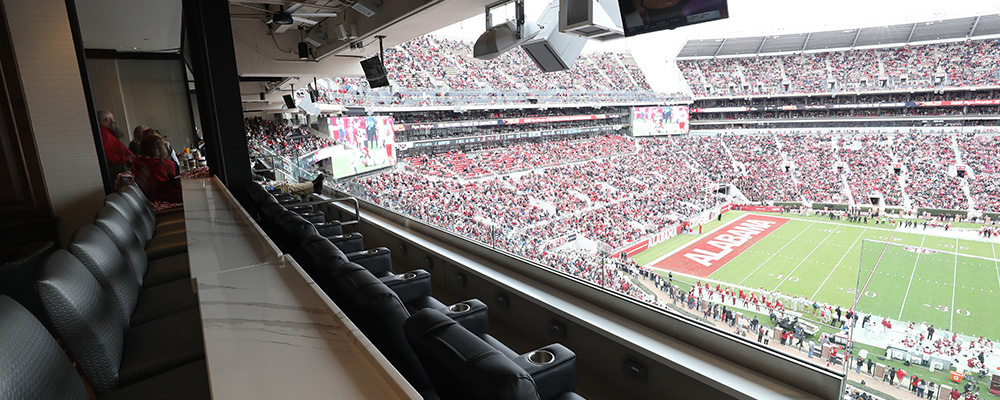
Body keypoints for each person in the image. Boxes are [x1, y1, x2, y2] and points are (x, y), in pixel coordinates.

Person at [132, 133, 181, 203]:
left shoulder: (136, 164)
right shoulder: (167, 165)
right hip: (168, 201)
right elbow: (176, 184)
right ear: (160, 148)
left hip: (148, 203)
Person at [97, 110, 135, 178]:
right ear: (107, 120)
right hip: (116, 169)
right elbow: (107, 155)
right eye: (113, 119)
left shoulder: (106, 133)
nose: (114, 121)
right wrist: (127, 158)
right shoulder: (104, 135)